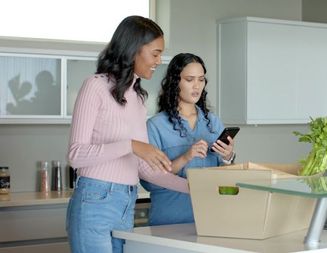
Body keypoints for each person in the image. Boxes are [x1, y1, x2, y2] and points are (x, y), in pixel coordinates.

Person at [66, 16, 189, 253]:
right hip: (95, 201)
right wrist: (131, 145)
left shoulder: (138, 98)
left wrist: (193, 187)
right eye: (155, 53)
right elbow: (76, 155)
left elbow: (143, 168)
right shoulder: (95, 86)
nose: (158, 60)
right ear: (134, 49)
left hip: (126, 202)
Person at [140, 53, 236, 225]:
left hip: (211, 220)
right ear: (175, 82)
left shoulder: (213, 122)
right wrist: (186, 157)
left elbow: (227, 180)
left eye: (201, 79)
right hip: (169, 221)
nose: (196, 86)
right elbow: (149, 182)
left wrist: (228, 158)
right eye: (190, 79)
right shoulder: (155, 126)